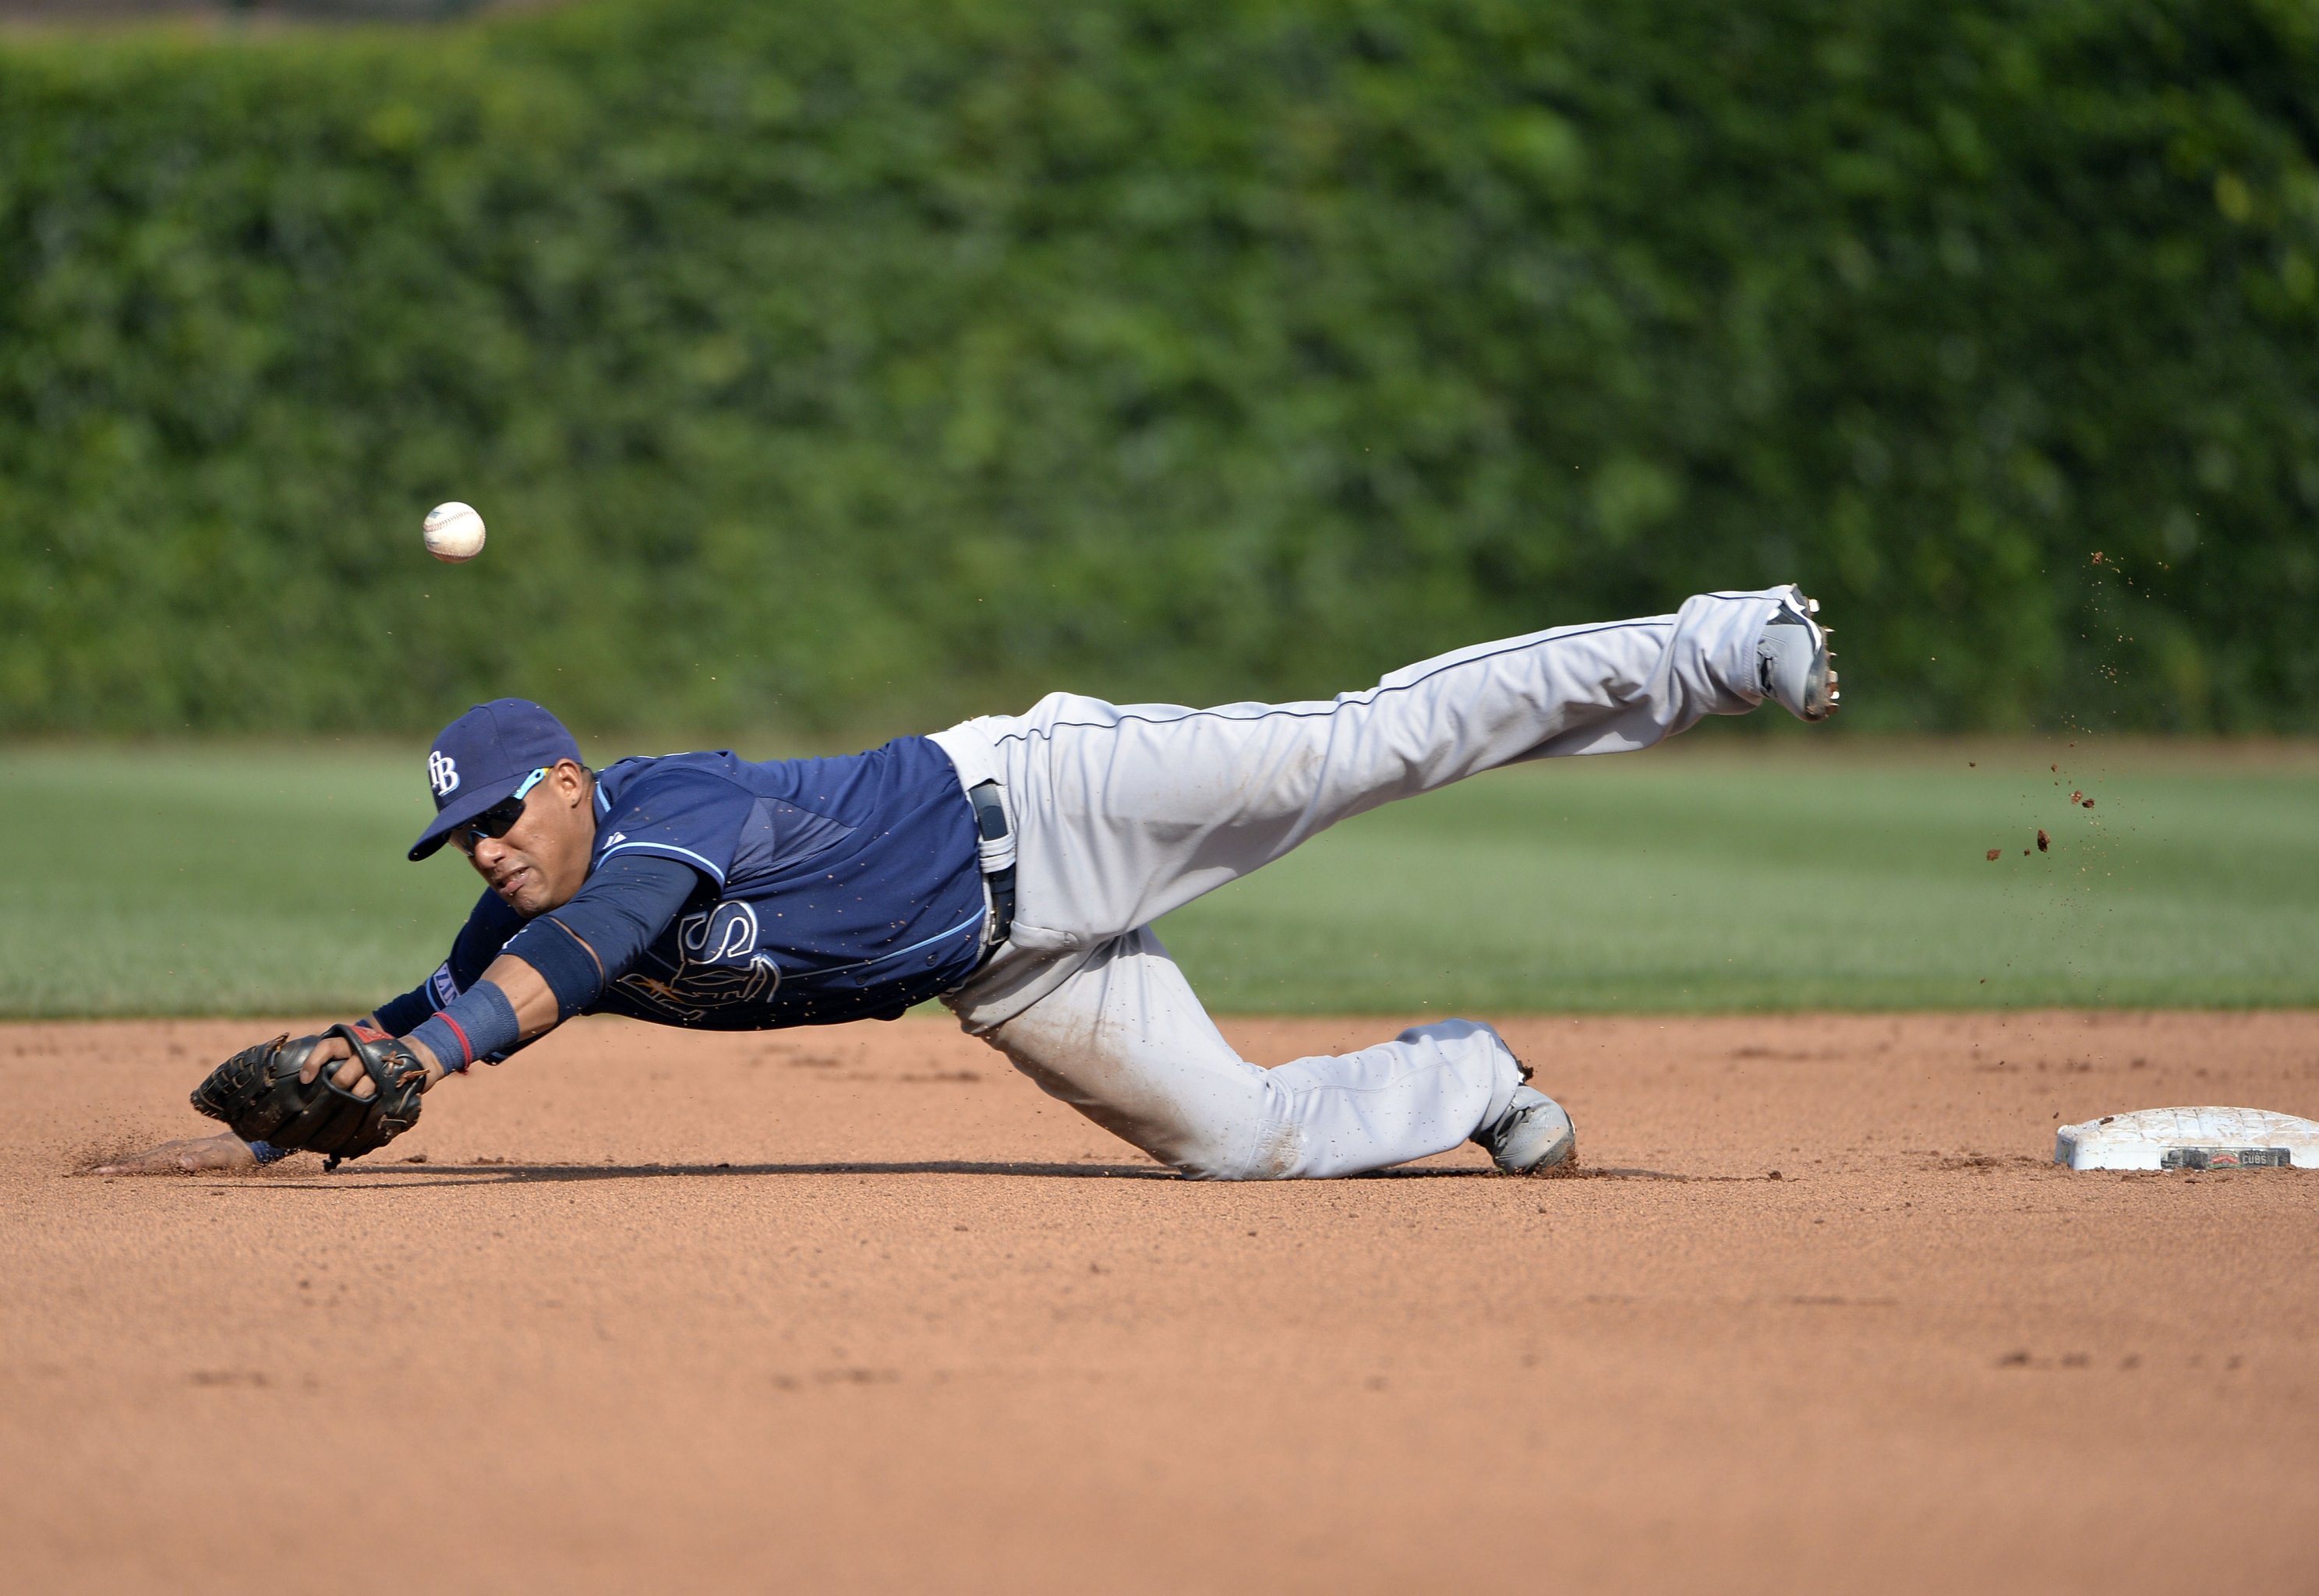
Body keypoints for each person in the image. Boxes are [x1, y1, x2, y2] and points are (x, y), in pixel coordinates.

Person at [96, 585, 1836, 1181]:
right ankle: (1472, 1077)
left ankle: (1710, 644)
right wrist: (304, 1095)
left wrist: (443, 1061)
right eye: (459, 843)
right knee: (1236, 1141)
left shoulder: (658, 810)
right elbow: (426, 1004)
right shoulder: (510, 917)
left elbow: (572, 964)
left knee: (1366, 743)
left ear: (565, 782)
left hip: (1048, 801)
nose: (486, 857)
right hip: (1002, 963)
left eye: (499, 821)